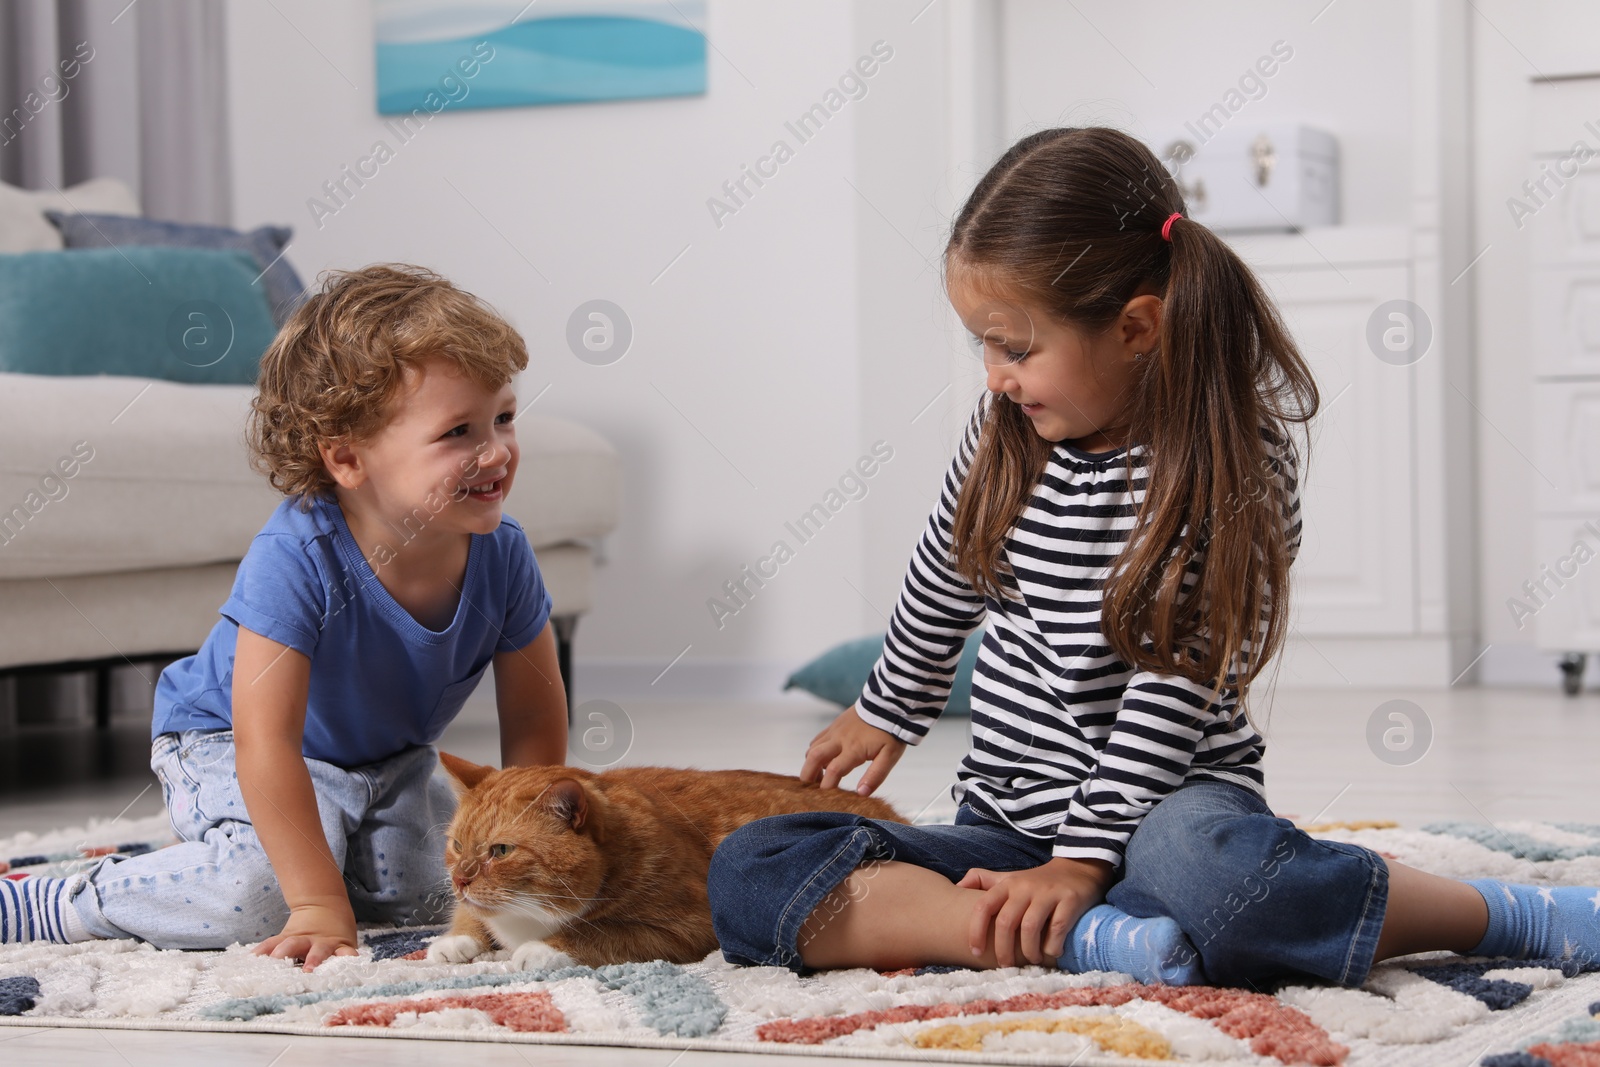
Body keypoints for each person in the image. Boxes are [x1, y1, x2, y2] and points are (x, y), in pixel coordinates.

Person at [707, 127, 1600, 989]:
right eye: (981, 342)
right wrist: (889, 705)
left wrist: (1083, 860)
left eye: (1015, 346)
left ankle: (1504, 917)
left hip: (1167, 813)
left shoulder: (1231, 464)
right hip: (1011, 823)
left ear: (1137, 327)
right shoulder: (1009, 430)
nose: (992, 375)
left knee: (1225, 882)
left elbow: (1173, 690)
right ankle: (1089, 941)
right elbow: (947, 571)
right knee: (753, 865)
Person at [0, 264, 568, 970]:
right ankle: (59, 900)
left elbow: (536, 723)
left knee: (448, 892)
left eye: (504, 417)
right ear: (346, 457)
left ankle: (333, 852)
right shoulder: (296, 555)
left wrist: (532, 846)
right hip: (228, 743)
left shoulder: (503, 555)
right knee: (265, 895)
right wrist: (316, 904)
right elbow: (262, 742)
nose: (497, 452)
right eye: (459, 431)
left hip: (385, 764)